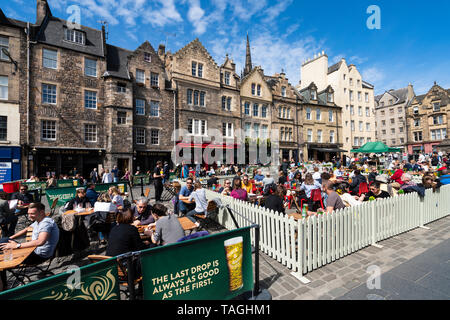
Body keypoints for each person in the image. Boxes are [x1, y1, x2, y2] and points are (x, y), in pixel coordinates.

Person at [0, 202, 59, 291]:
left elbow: (40, 241)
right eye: (28, 213)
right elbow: (26, 229)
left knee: (2, 260)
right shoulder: (39, 220)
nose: (29, 216)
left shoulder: (46, 223)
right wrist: (9, 238)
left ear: (41, 212)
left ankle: (3, 287)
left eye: (32, 213)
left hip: (39, 255)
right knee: (4, 242)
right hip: (32, 251)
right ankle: (3, 285)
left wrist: (17, 245)